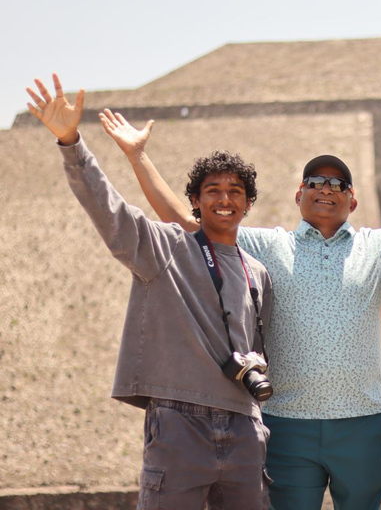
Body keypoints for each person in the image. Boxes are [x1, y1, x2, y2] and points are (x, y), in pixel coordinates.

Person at [99, 109, 381, 509]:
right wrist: (137, 156)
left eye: (337, 183)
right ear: (298, 197)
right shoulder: (264, 244)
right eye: (314, 182)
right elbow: (188, 221)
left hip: (361, 423)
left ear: (352, 200)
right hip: (286, 424)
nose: (325, 189)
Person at [26, 74, 273, 509]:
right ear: (194, 201)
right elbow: (110, 212)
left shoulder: (257, 272)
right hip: (180, 421)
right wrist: (72, 143)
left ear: (248, 203)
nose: (224, 199)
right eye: (212, 190)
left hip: (244, 429)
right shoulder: (166, 246)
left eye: (235, 191)